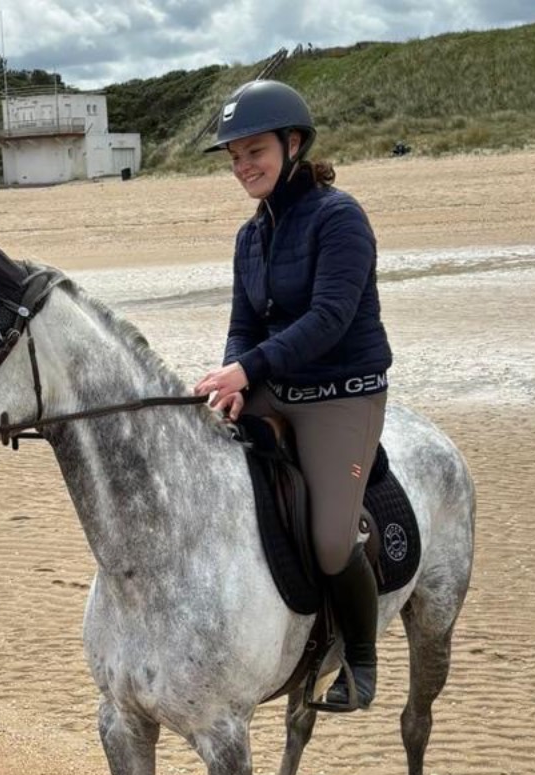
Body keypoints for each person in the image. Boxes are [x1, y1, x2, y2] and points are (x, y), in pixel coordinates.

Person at [194, 80, 392, 713]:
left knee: (333, 540)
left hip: (343, 392)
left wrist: (247, 369)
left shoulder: (341, 217)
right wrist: (233, 377)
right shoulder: (249, 238)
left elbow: (331, 318)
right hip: (273, 385)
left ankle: (360, 662)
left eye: (255, 151)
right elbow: (243, 324)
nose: (244, 166)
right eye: (234, 157)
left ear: (294, 143)